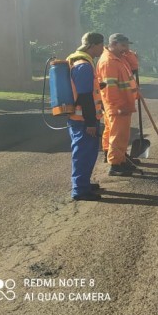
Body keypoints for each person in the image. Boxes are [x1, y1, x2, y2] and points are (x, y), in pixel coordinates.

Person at [66, 32, 105, 201]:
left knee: (88, 153)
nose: (103, 48)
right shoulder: (83, 65)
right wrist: (90, 122)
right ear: (92, 45)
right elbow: (84, 96)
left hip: (83, 119)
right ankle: (80, 190)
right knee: (83, 154)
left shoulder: (82, 63)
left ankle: (84, 184)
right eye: (101, 45)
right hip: (83, 121)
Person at [97, 33, 140, 176]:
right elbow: (110, 88)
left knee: (112, 131)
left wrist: (129, 53)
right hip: (118, 105)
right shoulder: (109, 62)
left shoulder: (120, 58)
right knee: (119, 134)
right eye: (123, 45)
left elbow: (134, 67)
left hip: (122, 102)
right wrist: (118, 106)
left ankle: (116, 156)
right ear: (113, 44)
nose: (126, 49)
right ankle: (116, 165)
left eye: (127, 46)